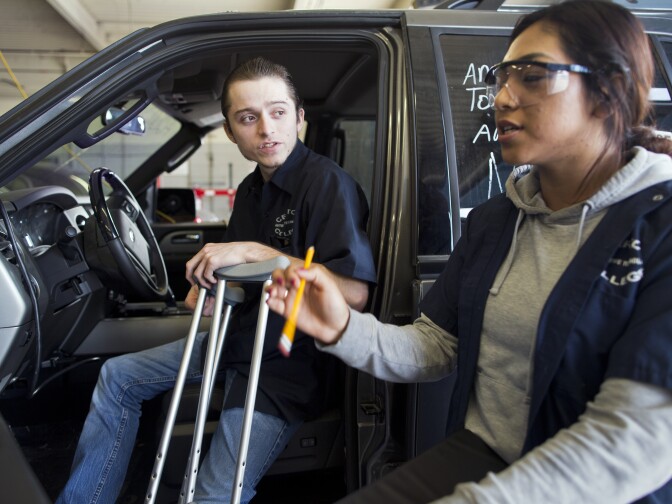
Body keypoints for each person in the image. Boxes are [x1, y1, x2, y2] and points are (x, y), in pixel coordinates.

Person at [266, 2, 672, 503]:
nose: (502, 97)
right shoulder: (497, 221)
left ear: (608, 89)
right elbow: (435, 347)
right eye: (503, 77)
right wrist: (343, 330)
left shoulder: (659, 226)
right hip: (482, 454)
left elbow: (635, 440)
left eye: (533, 76)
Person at [56, 57, 377, 504]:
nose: (266, 129)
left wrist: (255, 253)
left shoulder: (327, 185)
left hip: (287, 363)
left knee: (210, 494)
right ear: (230, 131)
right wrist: (209, 288)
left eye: (279, 112)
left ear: (299, 117)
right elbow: (238, 273)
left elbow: (355, 295)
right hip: (239, 340)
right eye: (248, 118)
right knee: (117, 377)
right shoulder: (251, 190)